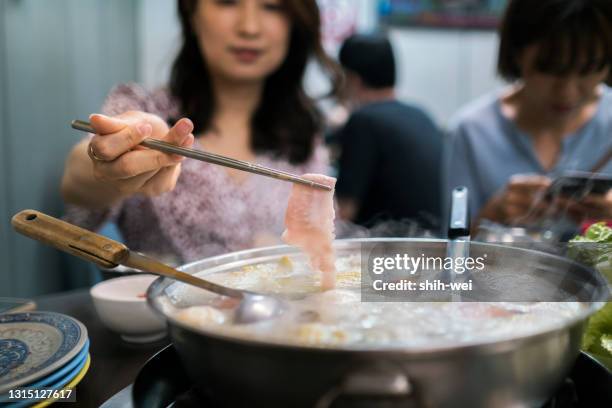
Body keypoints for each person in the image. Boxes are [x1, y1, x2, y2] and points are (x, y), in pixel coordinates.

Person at [61, 0, 341, 263]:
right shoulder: (146, 108)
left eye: (272, 6)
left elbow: (324, 241)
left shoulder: (302, 128)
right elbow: (76, 183)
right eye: (227, 2)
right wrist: (116, 155)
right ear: (192, 12)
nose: (249, 27)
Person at [445, 0, 612, 236]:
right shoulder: (472, 131)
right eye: (548, 69)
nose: (567, 92)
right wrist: (492, 214)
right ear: (516, 53)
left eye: (588, 69)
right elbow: (449, 251)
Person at [333, 33, 443, 231]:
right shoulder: (421, 115)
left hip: (387, 251)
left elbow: (343, 212)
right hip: (432, 246)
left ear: (352, 79)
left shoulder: (363, 121)